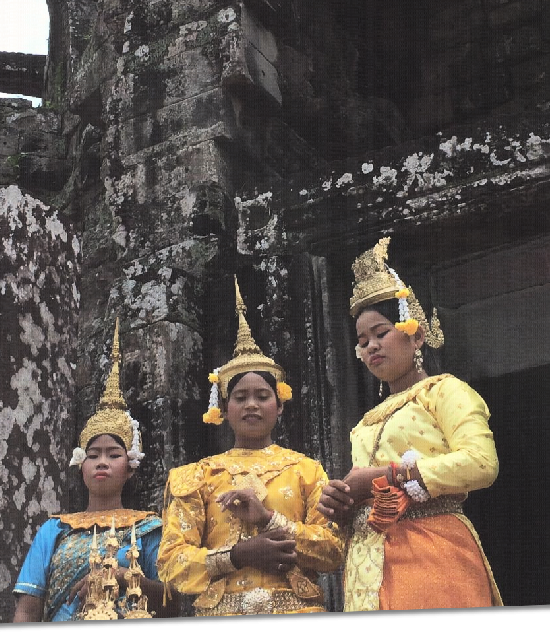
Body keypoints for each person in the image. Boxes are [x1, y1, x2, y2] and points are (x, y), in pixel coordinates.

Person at [317, 237, 503, 611]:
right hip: (369, 563)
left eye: (381, 332)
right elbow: (365, 493)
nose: (371, 346)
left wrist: (387, 473)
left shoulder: (445, 391)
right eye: (362, 340)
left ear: (416, 334)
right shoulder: (365, 424)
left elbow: (482, 464)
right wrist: (342, 506)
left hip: (433, 549)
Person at [156, 278, 344, 616]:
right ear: (224, 409)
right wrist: (237, 556)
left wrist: (270, 520)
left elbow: (332, 551)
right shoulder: (198, 475)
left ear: (280, 405)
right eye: (240, 398)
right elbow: (170, 563)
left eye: (262, 396)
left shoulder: (306, 470)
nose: (251, 405)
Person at [12, 319, 167, 622]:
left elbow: (171, 604)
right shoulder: (54, 531)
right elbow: (28, 608)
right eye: (93, 454)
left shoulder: (149, 529)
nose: (102, 462)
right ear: (80, 465)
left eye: (113, 454)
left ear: (130, 467)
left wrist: (123, 577)